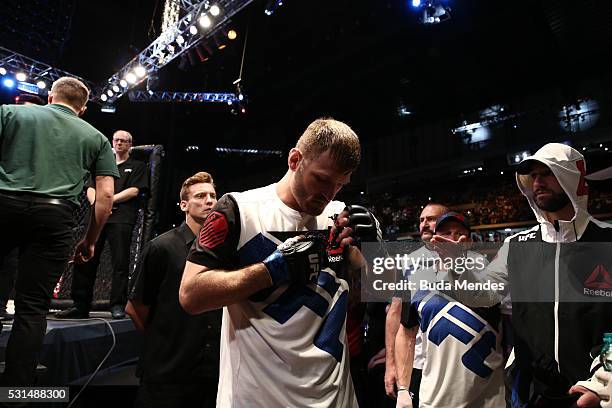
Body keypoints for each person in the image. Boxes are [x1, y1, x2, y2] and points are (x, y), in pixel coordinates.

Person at [179, 118, 373, 407]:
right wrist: (269, 272)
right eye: (321, 179)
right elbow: (190, 295)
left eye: (339, 184)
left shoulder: (340, 216)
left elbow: (376, 296)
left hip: (335, 397)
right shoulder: (239, 209)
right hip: (258, 397)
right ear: (295, 159)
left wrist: (369, 255)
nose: (328, 194)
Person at [434, 143, 612, 407]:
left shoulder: (607, 240)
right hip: (531, 391)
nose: (537, 182)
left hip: (592, 390)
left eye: (547, 173)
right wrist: (458, 267)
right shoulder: (516, 245)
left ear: (572, 178)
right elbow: (482, 295)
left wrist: (604, 383)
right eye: (534, 176)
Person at [0, 76, 118, 385]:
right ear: (82, 109)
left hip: (4, 204)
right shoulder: (96, 137)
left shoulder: (10, 113)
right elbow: (105, 199)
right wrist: (89, 240)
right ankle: (16, 394)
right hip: (54, 216)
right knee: (33, 307)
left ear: (50, 97)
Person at [127, 171, 221, 408]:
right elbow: (135, 307)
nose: (209, 200)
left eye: (212, 195)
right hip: (166, 374)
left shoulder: (225, 251)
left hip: (211, 373)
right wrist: (165, 343)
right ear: (184, 205)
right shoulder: (162, 247)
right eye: (200, 196)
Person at [395, 212, 504, 408]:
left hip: (487, 396)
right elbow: (406, 331)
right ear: (435, 241)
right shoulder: (415, 278)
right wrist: (403, 389)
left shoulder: (491, 273)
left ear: (469, 241)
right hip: (434, 395)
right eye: (446, 233)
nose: (453, 238)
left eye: (459, 234)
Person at [57, 130, 149, 319]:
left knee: (120, 262)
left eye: (124, 141)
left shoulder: (138, 166)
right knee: (85, 258)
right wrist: (98, 204)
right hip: (96, 217)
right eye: (116, 140)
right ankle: (80, 305)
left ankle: (117, 305)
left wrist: (108, 201)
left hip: (121, 218)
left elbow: (134, 191)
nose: (119, 143)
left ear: (130, 144)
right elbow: (90, 188)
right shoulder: (103, 164)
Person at [384, 202, 449, 406]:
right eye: (421, 220)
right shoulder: (408, 262)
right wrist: (390, 364)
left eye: (431, 219)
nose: (424, 224)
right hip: (416, 362)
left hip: (451, 361)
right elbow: (395, 314)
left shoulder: (469, 260)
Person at [0, 93, 46, 322]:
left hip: (35, 204)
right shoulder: (6, 119)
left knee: (13, 262)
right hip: (6, 199)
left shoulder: (47, 137)